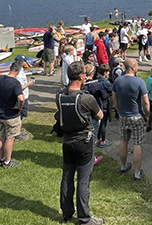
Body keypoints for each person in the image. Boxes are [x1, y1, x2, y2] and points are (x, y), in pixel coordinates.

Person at [58, 61, 104, 225]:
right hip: (84, 141)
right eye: (85, 73)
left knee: (67, 177)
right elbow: (100, 116)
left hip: (67, 141)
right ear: (80, 76)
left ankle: (66, 212)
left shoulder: (60, 95)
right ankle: (85, 218)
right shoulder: (87, 98)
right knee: (83, 181)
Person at [112, 58, 150, 181]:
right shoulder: (139, 82)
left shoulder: (118, 81)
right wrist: (147, 115)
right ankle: (137, 173)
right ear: (133, 68)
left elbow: (114, 98)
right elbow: (145, 101)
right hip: (136, 116)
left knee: (123, 141)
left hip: (123, 115)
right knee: (137, 143)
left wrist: (118, 111)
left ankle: (123, 166)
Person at [0, 61, 25, 168]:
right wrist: (19, 107)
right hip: (11, 115)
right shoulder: (15, 83)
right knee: (10, 138)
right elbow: (21, 98)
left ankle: (1, 159)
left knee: (1, 137)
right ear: (18, 70)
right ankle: (7, 161)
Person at [84, 64, 113, 149]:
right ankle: (102, 141)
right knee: (103, 123)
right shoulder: (99, 84)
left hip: (88, 108)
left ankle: (97, 139)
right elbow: (105, 95)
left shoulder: (87, 84)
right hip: (101, 106)